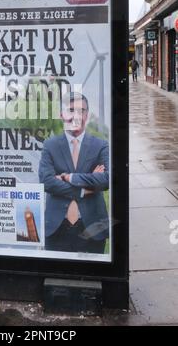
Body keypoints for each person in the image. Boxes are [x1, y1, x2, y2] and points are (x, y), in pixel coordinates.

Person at [38, 92, 109, 254]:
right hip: (56, 228)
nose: (76, 115)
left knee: (92, 275)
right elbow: (46, 182)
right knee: (55, 275)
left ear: (87, 115)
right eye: (71, 110)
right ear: (61, 114)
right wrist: (86, 188)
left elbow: (106, 180)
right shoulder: (50, 145)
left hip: (93, 228)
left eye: (81, 110)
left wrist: (70, 178)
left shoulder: (101, 146)